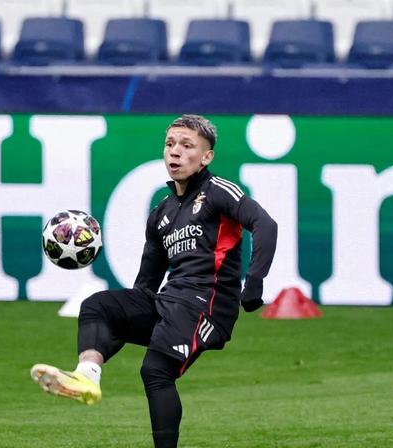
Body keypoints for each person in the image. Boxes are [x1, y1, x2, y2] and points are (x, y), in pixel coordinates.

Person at [30, 115, 278, 447]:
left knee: (155, 371)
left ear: (206, 157)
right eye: (170, 144)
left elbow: (266, 224)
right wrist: (119, 326)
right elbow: (146, 284)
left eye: (187, 146)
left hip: (207, 305)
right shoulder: (161, 214)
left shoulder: (218, 191)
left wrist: (255, 281)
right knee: (99, 307)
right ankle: (87, 375)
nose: (175, 152)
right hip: (169, 302)